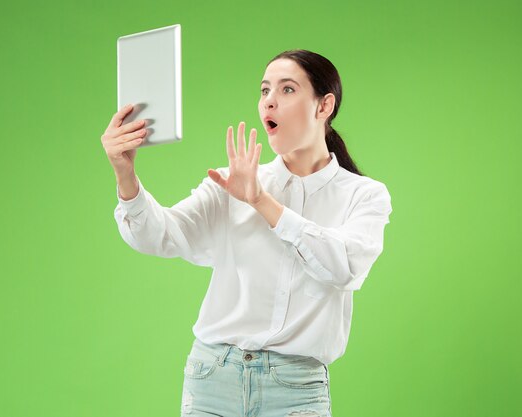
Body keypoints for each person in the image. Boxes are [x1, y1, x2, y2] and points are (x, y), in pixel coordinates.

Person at [101, 49, 392, 417]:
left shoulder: (363, 195)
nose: (269, 100)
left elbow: (345, 267)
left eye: (287, 90)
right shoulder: (230, 183)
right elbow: (160, 235)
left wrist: (261, 202)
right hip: (212, 378)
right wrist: (125, 175)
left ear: (324, 106)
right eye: (264, 90)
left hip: (297, 390)